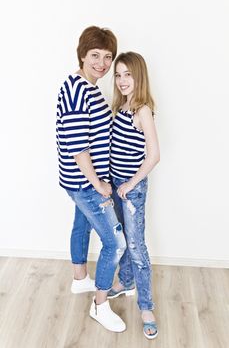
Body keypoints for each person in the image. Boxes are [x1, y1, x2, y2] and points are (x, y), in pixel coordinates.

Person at [56, 26, 127, 332]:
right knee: (116, 243)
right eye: (95, 55)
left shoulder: (88, 86)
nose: (102, 62)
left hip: (82, 181)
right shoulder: (76, 89)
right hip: (85, 182)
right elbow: (77, 146)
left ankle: (79, 279)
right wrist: (98, 184)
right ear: (82, 54)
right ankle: (100, 305)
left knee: (81, 224)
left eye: (107, 56)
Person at [107, 52, 160, 339]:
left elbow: (154, 155)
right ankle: (125, 281)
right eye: (118, 74)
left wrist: (130, 184)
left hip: (132, 188)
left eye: (128, 74)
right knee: (122, 238)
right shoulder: (120, 106)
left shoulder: (142, 110)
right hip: (115, 184)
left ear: (139, 77)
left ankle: (147, 307)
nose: (122, 80)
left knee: (137, 247)